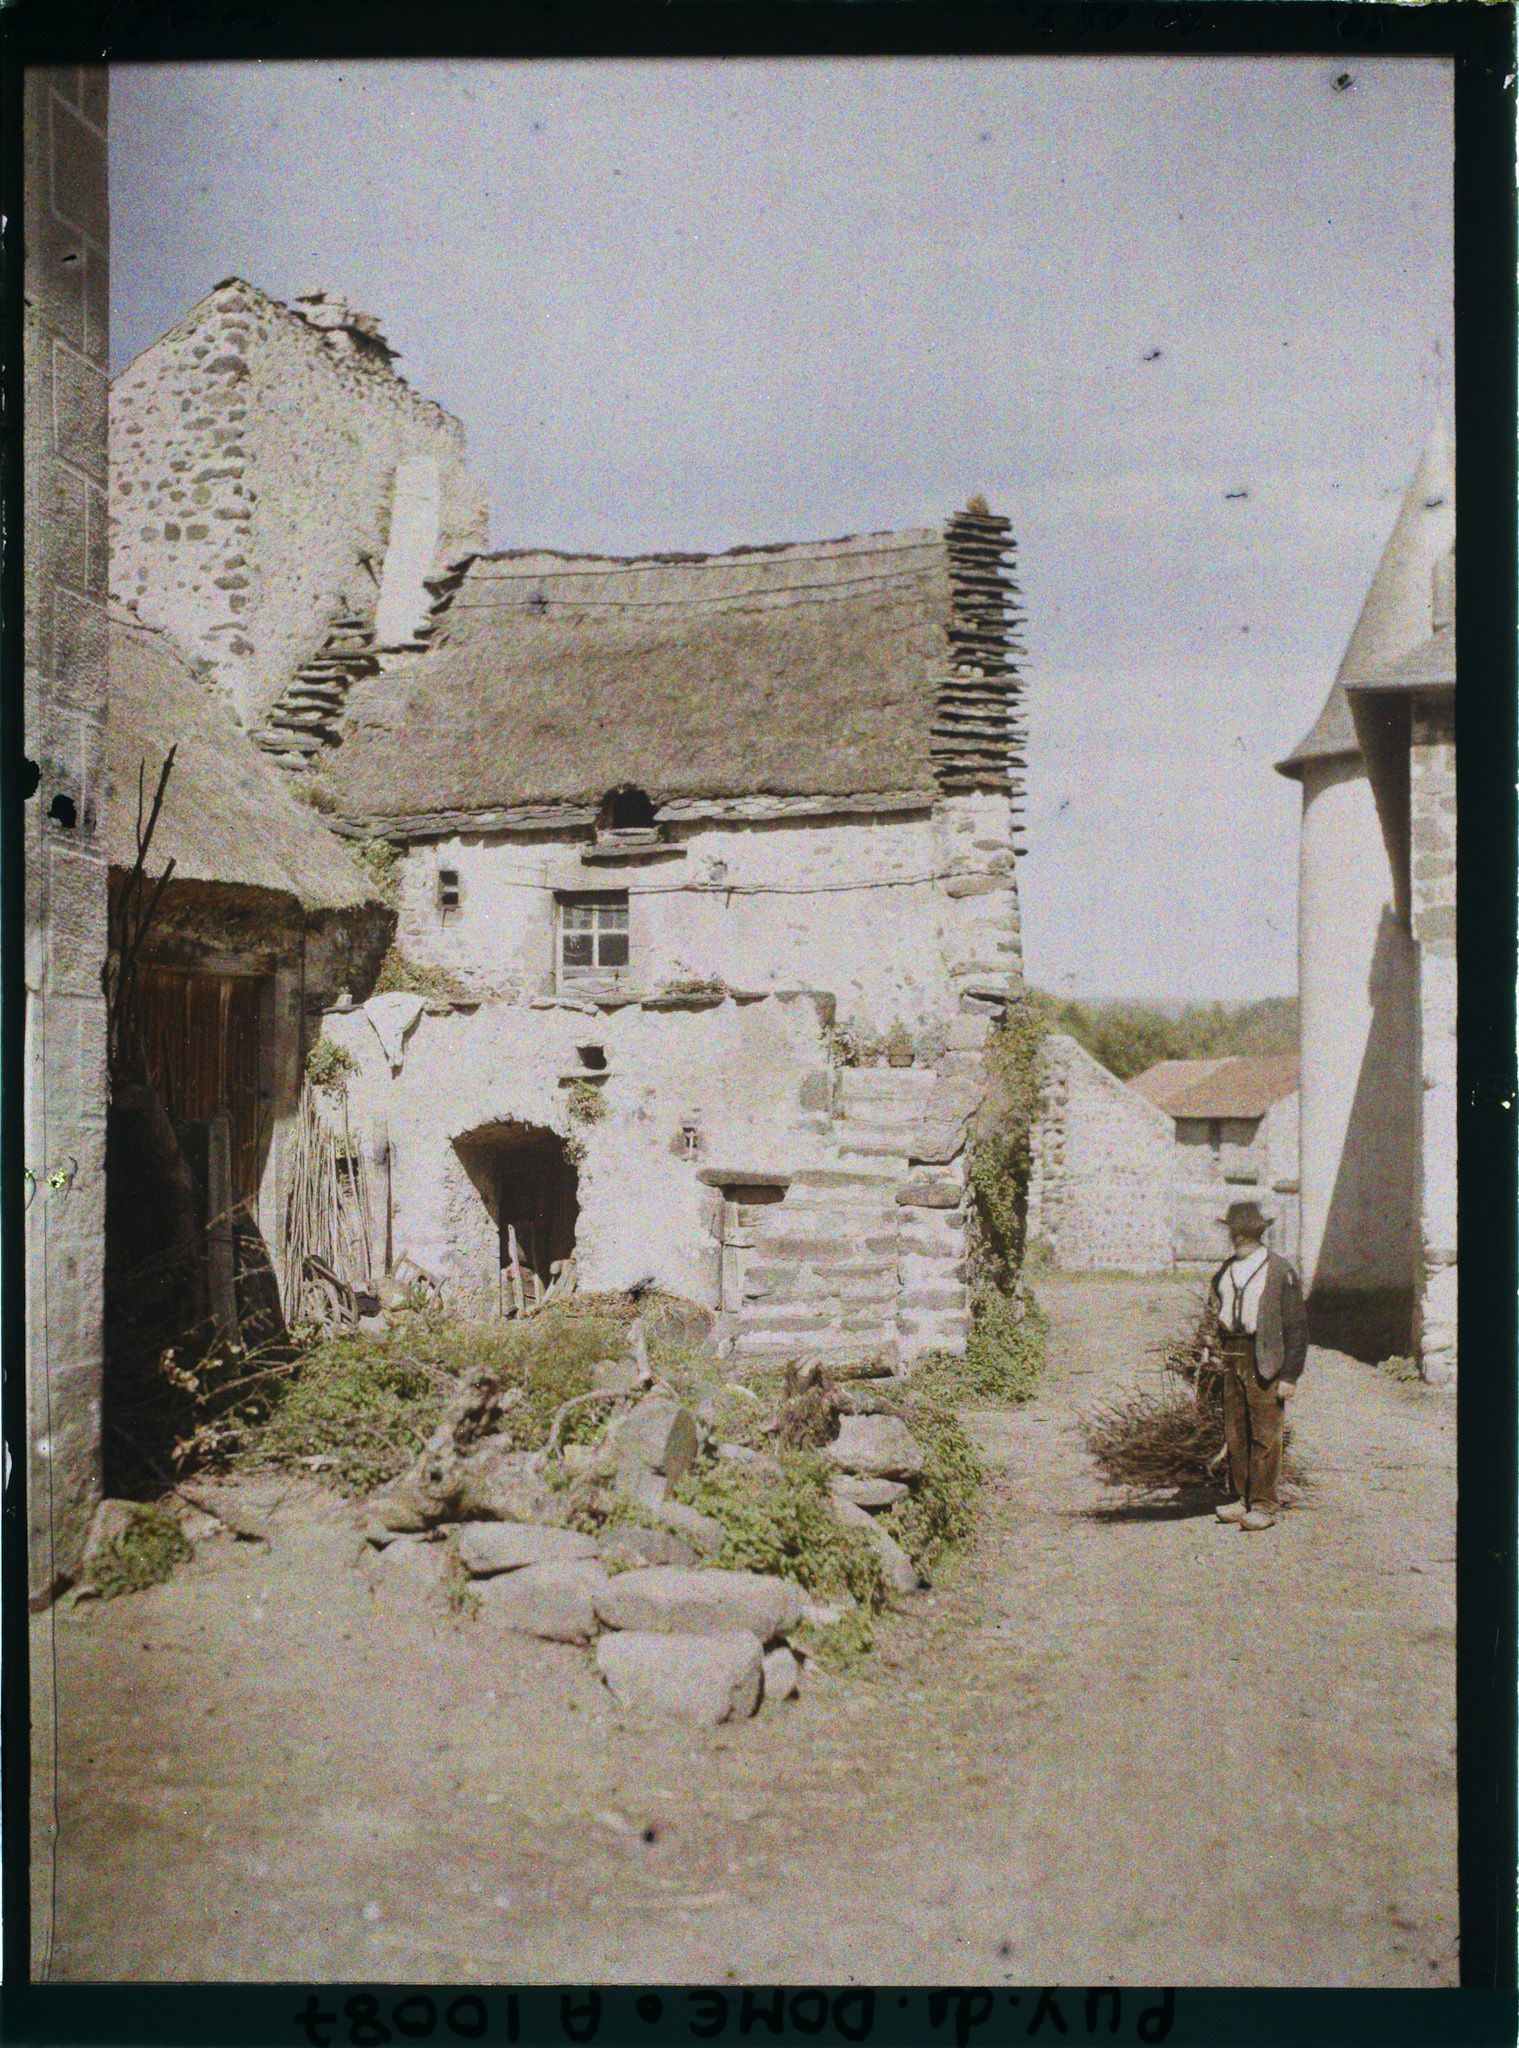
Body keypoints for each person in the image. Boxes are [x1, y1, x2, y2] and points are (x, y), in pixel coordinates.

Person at [1206, 1199, 1307, 1531]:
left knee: (1265, 1433)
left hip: (1264, 1358)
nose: (1239, 1237)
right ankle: (1242, 1499)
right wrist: (1210, 1346)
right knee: (1236, 1431)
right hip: (1231, 1356)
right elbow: (1213, 1312)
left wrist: (1289, 1375)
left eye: (1243, 1232)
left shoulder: (1280, 1271)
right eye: (1238, 1231)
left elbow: (1297, 1329)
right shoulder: (1225, 1270)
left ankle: (1264, 1505)